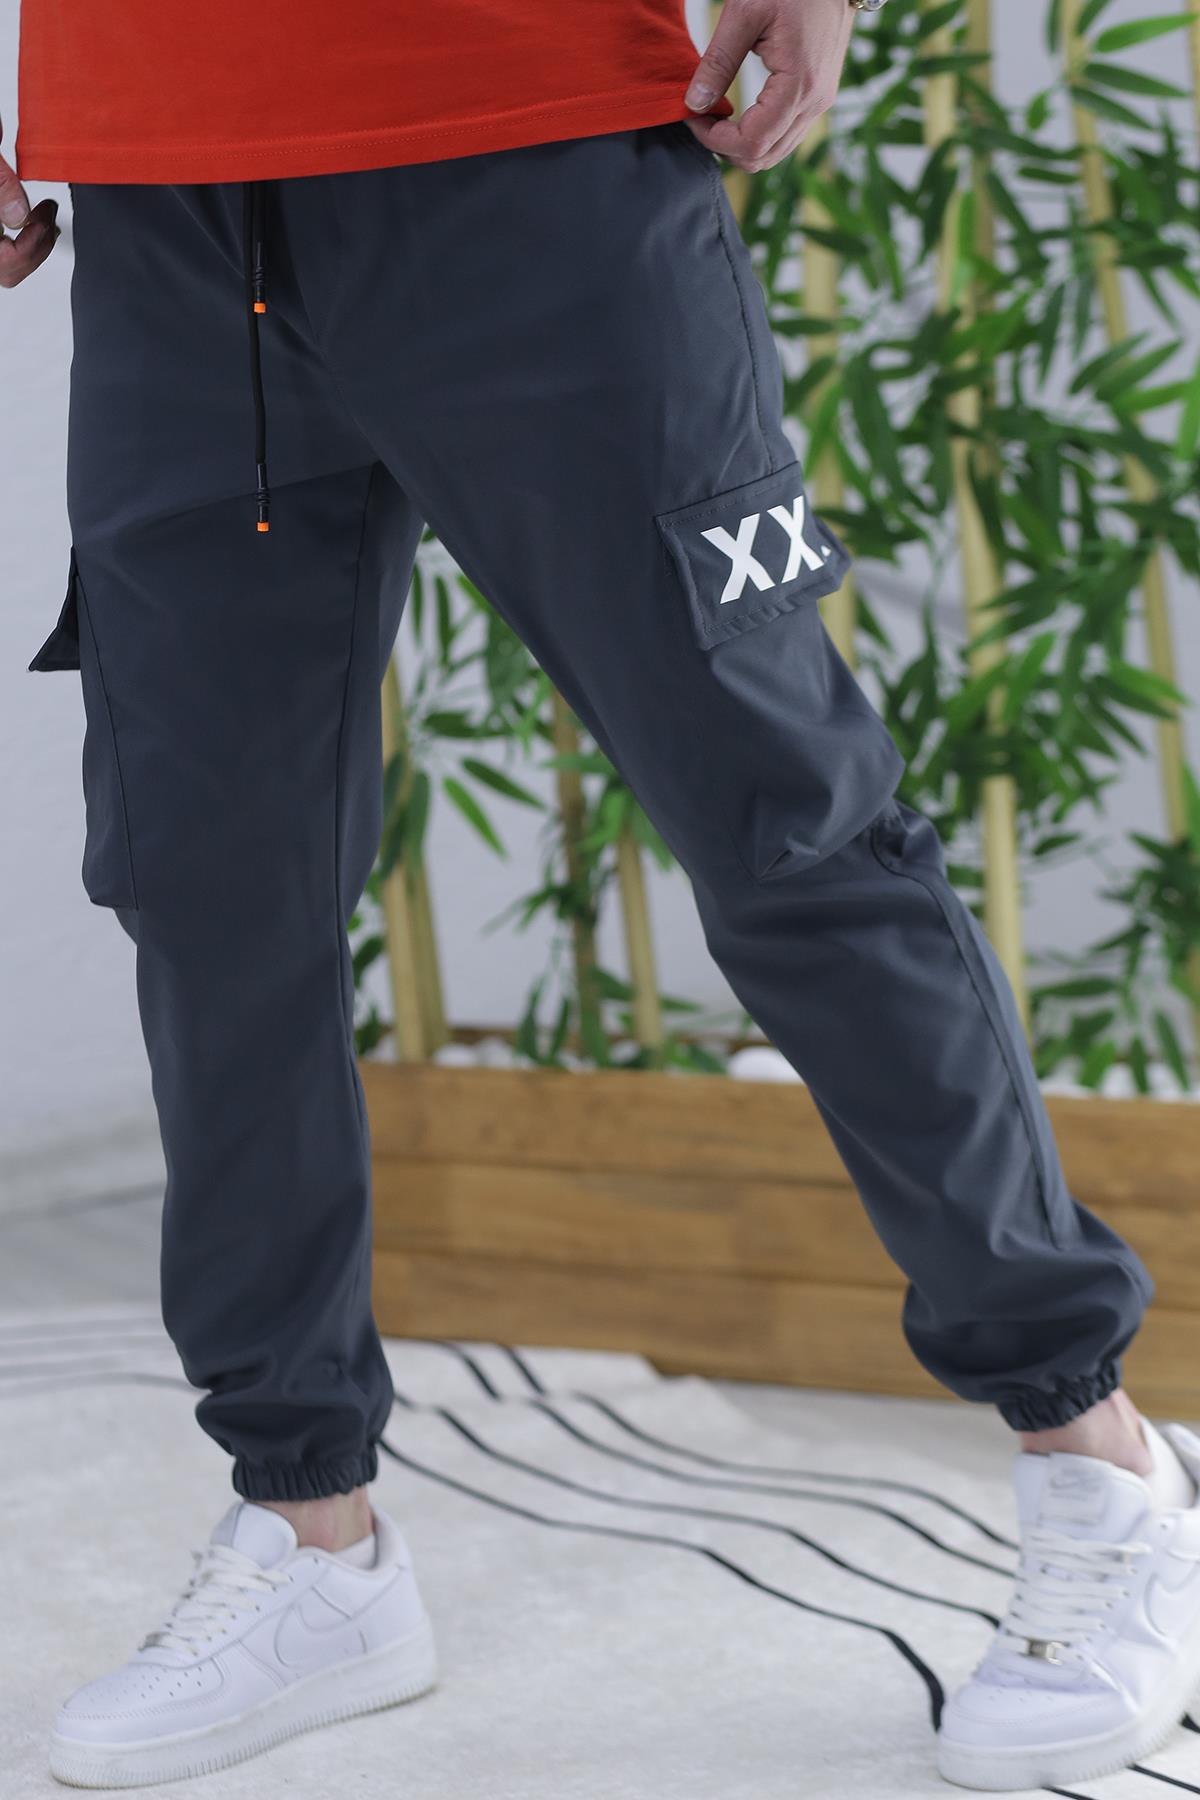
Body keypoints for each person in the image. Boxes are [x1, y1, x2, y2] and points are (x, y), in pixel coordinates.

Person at [5, 0, 1198, 1789]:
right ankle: (314, 1537)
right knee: (208, 885)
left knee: (790, 832)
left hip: (533, 150)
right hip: (164, 182)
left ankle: (1096, 1457)